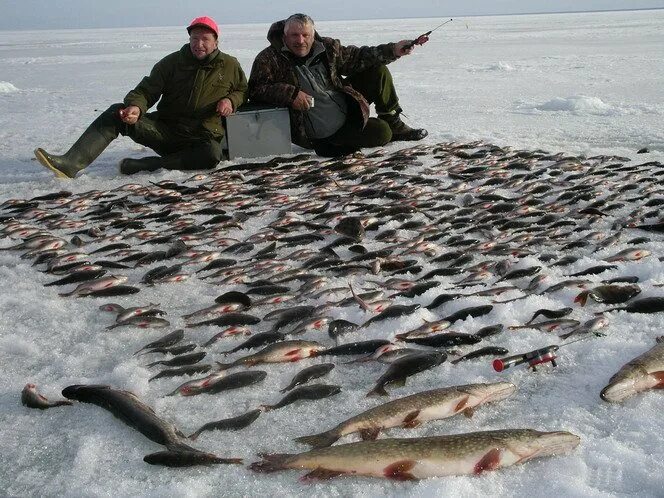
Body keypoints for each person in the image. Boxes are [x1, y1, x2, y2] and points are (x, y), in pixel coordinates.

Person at [34, 16, 247, 178]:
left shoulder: (229, 65)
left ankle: (146, 165)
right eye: (194, 38)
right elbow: (145, 91)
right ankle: (70, 163)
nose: (198, 44)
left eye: (205, 39)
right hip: (166, 131)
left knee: (212, 155)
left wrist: (231, 101)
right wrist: (135, 107)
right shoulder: (172, 63)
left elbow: (242, 90)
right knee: (115, 112)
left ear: (216, 42)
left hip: (202, 137)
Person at [248, 13, 427, 157]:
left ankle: (393, 120)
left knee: (377, 71)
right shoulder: (268, 58)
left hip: (344, 108)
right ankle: (336, 143)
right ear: (285, 36)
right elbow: (256, 89)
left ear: (313, 35)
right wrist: (291, 94)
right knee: (382, 133)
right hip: (318, 131)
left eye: (305, 35)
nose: (300, 40)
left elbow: (358, 57)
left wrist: (394, 49)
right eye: (294, 35)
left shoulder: (327, 47)